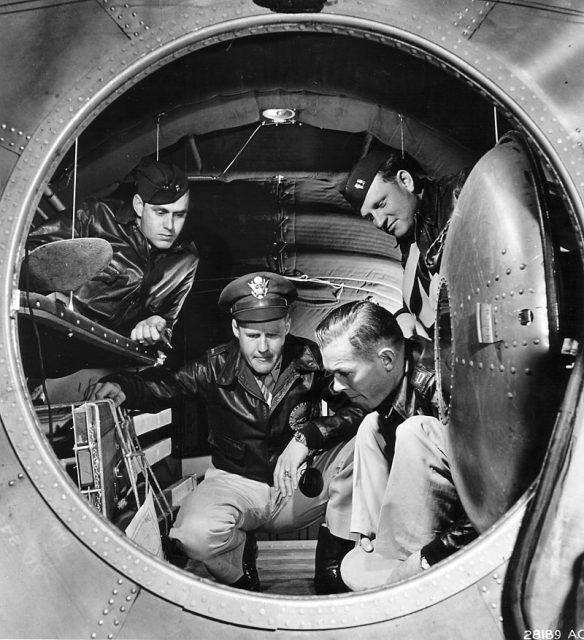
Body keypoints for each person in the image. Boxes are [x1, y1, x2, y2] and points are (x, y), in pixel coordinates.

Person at [85, 272, 364, 593]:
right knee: (192, 536)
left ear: (287, 325)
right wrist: (123, 386)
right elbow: (166, 386)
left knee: (364, 440)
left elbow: (356, 408)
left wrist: (309, 437)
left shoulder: (311, 358)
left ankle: (332, 564)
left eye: (272, 334)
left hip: (299, 485)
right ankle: (237, 566)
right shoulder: (214, 365)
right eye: (252, 335)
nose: (263, 348)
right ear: (235, 330)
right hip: (235, 483)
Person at [315, 300, 476, 591]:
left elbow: (495, 501)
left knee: (416, 432)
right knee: (370, 427)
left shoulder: (449, 385)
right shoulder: (393, 384)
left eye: (345, 373)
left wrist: (431, 556)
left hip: (458, 535)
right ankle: (376, 540)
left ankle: (403, 568)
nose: (336, 386)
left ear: (387, 360)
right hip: (417, 527)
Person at [27, 158, 199, 346]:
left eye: (179, 215)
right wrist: (50, 294)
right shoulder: (94, 216)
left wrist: (155, 329)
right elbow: (27, 257)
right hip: (54, 334)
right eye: (161, 213)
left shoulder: (187, 259)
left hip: (108, 353)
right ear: (139, 206)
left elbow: (168, 325)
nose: (170, 226)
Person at [343, 148, 470, 337]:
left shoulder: (462, 192)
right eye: (370, 217)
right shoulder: (410, 243)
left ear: (405, 181)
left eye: (381, 204)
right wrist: (403, 316)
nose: (379, 222)